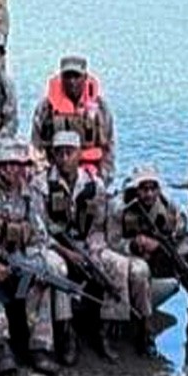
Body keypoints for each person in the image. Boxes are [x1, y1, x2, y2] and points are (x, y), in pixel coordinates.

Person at [39, 131, 152, 361]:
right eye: (59, 153)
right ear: (53, 155)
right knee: (58, 270)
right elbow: (40, 229)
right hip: (54, 247)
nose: (64, 158)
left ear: (79, 154)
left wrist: (92, 252)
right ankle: (66, 333)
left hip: (87, 246)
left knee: (117, 265)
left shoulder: (94, 184)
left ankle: (107, 329)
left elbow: (99, 227)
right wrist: (67, 252)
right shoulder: (41, 184)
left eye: (69, 152)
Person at [0, 140, 75, 376]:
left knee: (41, 281)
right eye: (5, 165)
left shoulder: (32, 196)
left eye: (16, 165)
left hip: (20, 261)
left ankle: (40, 348)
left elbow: (39, 238)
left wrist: (28, 263)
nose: (11, 170)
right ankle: (1, 346)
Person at [109, 164, 188, 348]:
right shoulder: (119, 209)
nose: (149, 194)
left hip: (165, 257)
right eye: (143, 189)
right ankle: (144, 330)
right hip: (133, 261)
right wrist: (134, 245)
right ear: (135, 189)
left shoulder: (171, 208)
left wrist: (164, 249)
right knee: (140, 270)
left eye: (153, 188)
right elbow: (112, 243)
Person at [30, 54, 116, 183]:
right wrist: (42, 174)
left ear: (85, 78)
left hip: (90, 172)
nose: (72, 81)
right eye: (67, 76)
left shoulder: (100, 108)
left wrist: (103, 178)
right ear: (61, 77)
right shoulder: (45, 108)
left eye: (76, 76)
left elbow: (108, 147)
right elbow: (36, 145)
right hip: (53, 171)